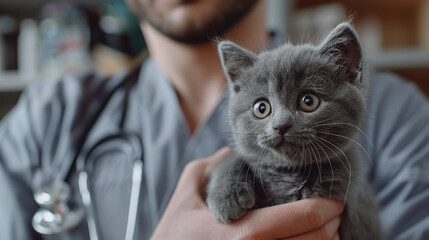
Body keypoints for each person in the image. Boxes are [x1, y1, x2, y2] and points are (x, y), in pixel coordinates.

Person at [0, 0, 428, 239]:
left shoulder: (399, 117)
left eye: (308, 102)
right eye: (262, 107)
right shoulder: (45, 121)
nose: (278, 121)